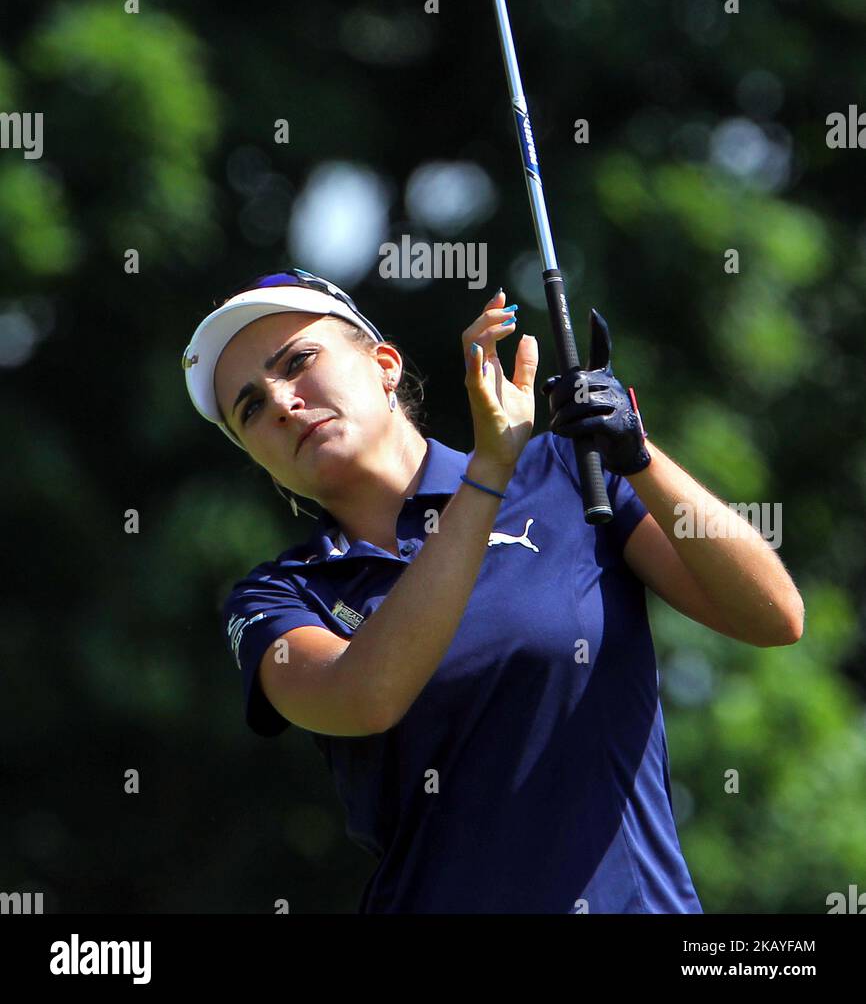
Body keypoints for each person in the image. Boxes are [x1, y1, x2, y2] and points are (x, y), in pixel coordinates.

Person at [182, 268, 804, 914]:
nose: (282, 402)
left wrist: (637, 456)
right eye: (250, 407)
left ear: (384, 365)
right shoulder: (277, 597)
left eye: (299, 361)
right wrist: (486, 475)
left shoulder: (565, 471)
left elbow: (772, 615)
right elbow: (365, 697)